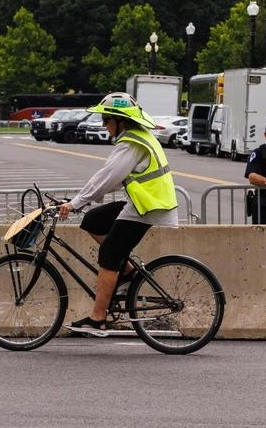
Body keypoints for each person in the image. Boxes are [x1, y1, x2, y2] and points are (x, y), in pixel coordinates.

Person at [56, 92, 180, 336]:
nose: (104, 125)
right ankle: (128, 273)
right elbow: (108, 179)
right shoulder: (136, 137)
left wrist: (75, 202)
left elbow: (107, 177)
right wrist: (81, 204)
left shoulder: (131, 144)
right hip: (143, 202)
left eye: (106, 120)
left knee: (109, 253)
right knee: (93, 220)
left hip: (148, 207)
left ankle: (98, 319)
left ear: (120, 121)